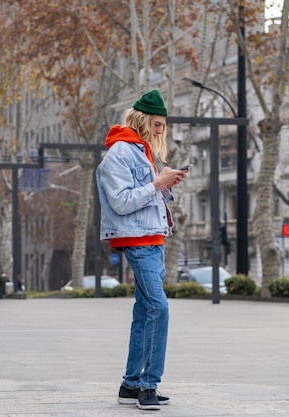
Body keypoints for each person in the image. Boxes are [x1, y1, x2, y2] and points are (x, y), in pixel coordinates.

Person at [96, 89, 188, 411]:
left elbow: (145, 197)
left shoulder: (142, 151)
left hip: (152, 238)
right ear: (144, 120)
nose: (162, 130)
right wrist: (157, 183)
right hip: (138, 240)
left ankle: (130, 384)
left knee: (144, 311)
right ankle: (148, 386)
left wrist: (165, 182)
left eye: (163, 125)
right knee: (159, 308)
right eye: (158, 124)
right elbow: (121, 202)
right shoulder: (119, 153)